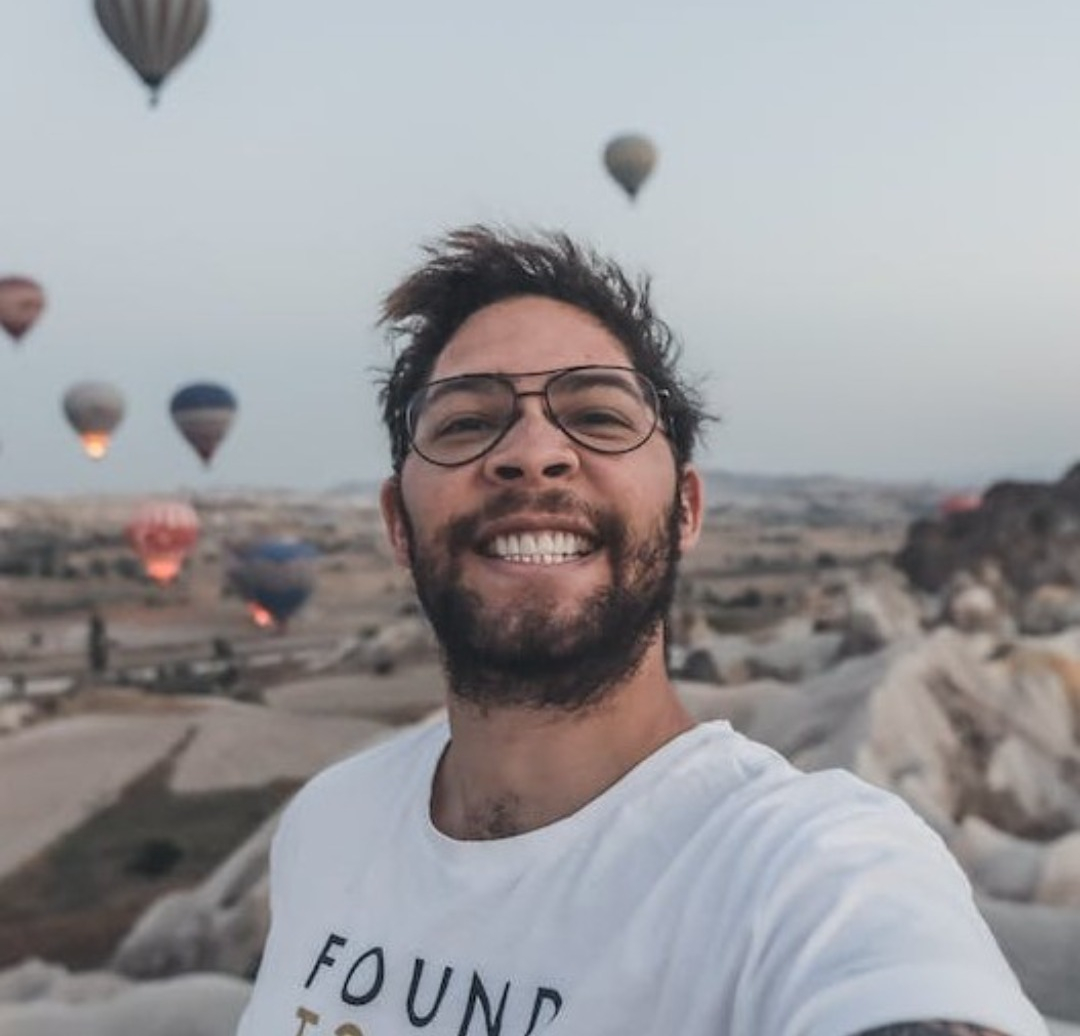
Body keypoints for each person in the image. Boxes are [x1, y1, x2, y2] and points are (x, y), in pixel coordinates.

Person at [236, 226, 1047, 1036]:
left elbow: (900, 984)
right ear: (398, 523)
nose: (534, 452)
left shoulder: (806, 866)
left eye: (595, 414)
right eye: (464, 423)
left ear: (685, 510)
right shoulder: (329, 824)